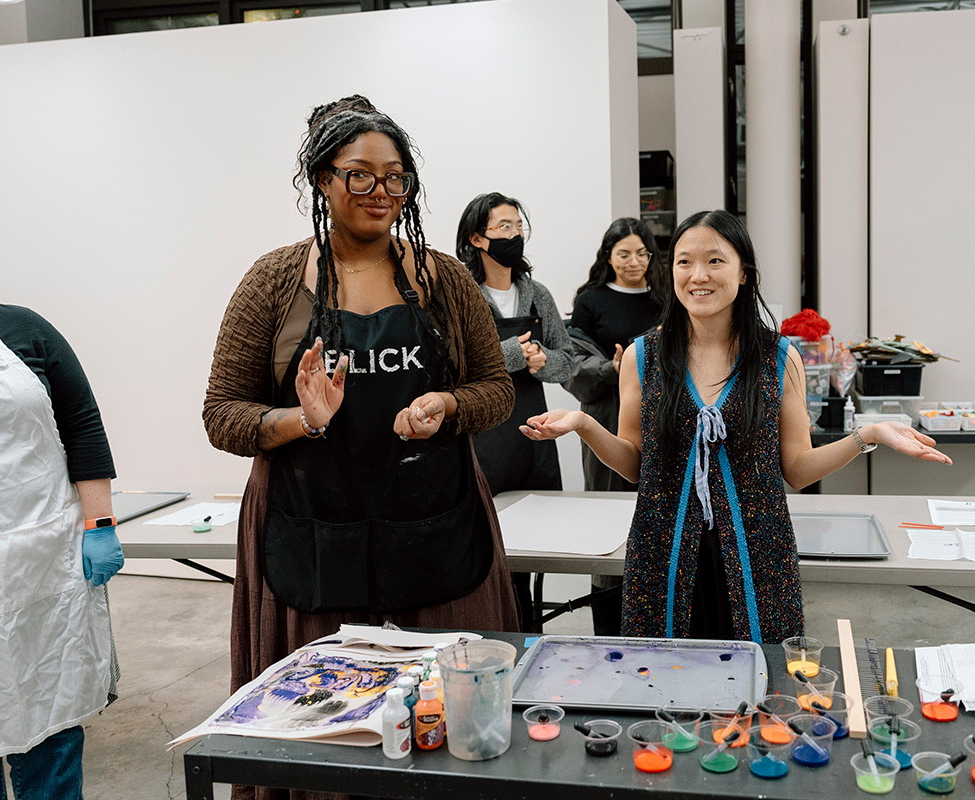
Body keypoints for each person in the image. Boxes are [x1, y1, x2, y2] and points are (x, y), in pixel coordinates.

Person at [202, 96, 520, 799]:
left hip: (437, 526)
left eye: (397, 177)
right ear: (322, 179)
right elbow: (222, 413)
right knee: (330, 734)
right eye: (361, 175)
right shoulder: (272, 283)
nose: (382, 192)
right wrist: (302, 420)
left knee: (441, 730)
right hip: (312, 534)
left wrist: (447, 405)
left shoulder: (444, 277)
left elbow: (495, 389)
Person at [521, 210, 951, 644]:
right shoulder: (643, 357)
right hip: (663, 554)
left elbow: (798, 468)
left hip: (757, 557)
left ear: (743, 273)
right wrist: (583, 424)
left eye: (715, 260)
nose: (697, 275)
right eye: (684, 261)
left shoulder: (778, 357)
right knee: (664, 684)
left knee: (762, 691)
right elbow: (636, 465)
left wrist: (868, 434)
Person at [0, 302, 123, 800]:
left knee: (52, 724)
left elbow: (82, 423)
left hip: (44, 570)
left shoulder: (23, 329)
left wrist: (99, 524)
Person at [456, 192, 573, 631]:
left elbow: (569, 361)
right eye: (504, 227)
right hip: (485, 441)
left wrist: (545, 361)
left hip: (534, 437)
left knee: (535, 549)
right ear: (477, 238)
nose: (515, 234)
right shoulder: (461, 294)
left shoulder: (536, 294)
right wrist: (510, 354)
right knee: (489, 551)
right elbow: (452, 367)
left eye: (518, 226)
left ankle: (531, 635)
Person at [563, 217, 665, 635]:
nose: (634, 261)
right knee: (608, 512)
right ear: (608, 256)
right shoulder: (590, 300)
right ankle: (607, 620)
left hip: (659, 415)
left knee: (656, 504)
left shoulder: (666, 297)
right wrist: (615, 367)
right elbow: (573, 366)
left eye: (642, 253)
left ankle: (658, 608)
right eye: (624, 253)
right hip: (606, 416)